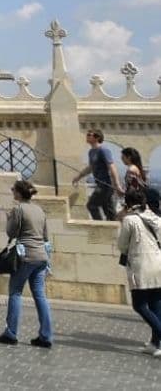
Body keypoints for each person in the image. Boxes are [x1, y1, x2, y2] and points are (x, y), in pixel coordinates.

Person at [0, 180, 52, 347]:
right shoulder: (40, 210)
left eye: (14, 190)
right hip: (41, 257)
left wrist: (9, 219)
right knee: (40, 295)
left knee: (15, 292)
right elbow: (46, 236)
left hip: (25, 256)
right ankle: (46, 336)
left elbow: (11, 232)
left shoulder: (18, 209)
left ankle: (11, 333)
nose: (12, 192)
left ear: (19, 193)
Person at [117, 185, 161, 356]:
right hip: (158, 265)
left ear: (128, 203)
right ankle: (155, 344)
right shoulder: (155, 217)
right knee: (156, 306)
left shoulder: (130, 220)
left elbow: (122, 245)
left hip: (141, 267)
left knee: (139, 305)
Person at [71, 128, 122, 220]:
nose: (87, 136)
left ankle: (100, 226)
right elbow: (91, 167)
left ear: (97, 137)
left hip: (106, 184)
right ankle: (111, 229)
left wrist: (117, 185)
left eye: (89, 135)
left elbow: (112, 167)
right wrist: (78, 177)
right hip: (100, 183)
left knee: (92, 205)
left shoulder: (103, 150)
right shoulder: (91, 152)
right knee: (108, 210)